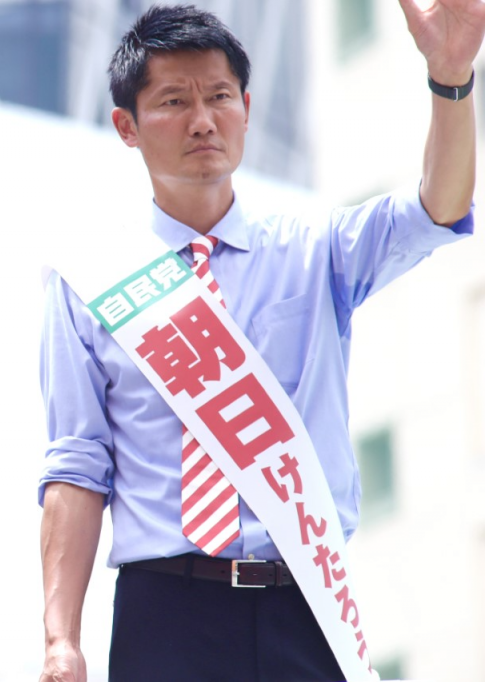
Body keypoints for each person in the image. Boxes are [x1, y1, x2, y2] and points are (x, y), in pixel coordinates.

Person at [38, 2, 481, 681]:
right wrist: (60, 639)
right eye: (173, 100)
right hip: (166, 610)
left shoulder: (314, 251)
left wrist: (451, 82)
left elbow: (438, 207)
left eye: (219, 96)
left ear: (246, 105)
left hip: (306, 603)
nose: (203, 119)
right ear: (125, 126)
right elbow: (76, 467)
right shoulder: (91, 284)